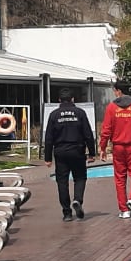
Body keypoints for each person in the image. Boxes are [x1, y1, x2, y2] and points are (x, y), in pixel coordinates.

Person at [99, 79, 131, 219]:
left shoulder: (111, 108)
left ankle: (124, 210)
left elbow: (106, 130)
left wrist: (102, 148)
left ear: (119, 91)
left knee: (120, 178)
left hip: (118, 147)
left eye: (115, 91)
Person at [44, 88, 96, 222]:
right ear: (73, 99)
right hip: (77, 150)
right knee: (80, 177)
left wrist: (48, 158)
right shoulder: (80, 113)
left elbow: (48, 138)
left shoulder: (54, 115)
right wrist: (91, 153)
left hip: (60, 152)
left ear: (59, 100)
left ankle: (67, 213)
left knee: (62, 181)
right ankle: (77, 200)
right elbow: (88, 134)